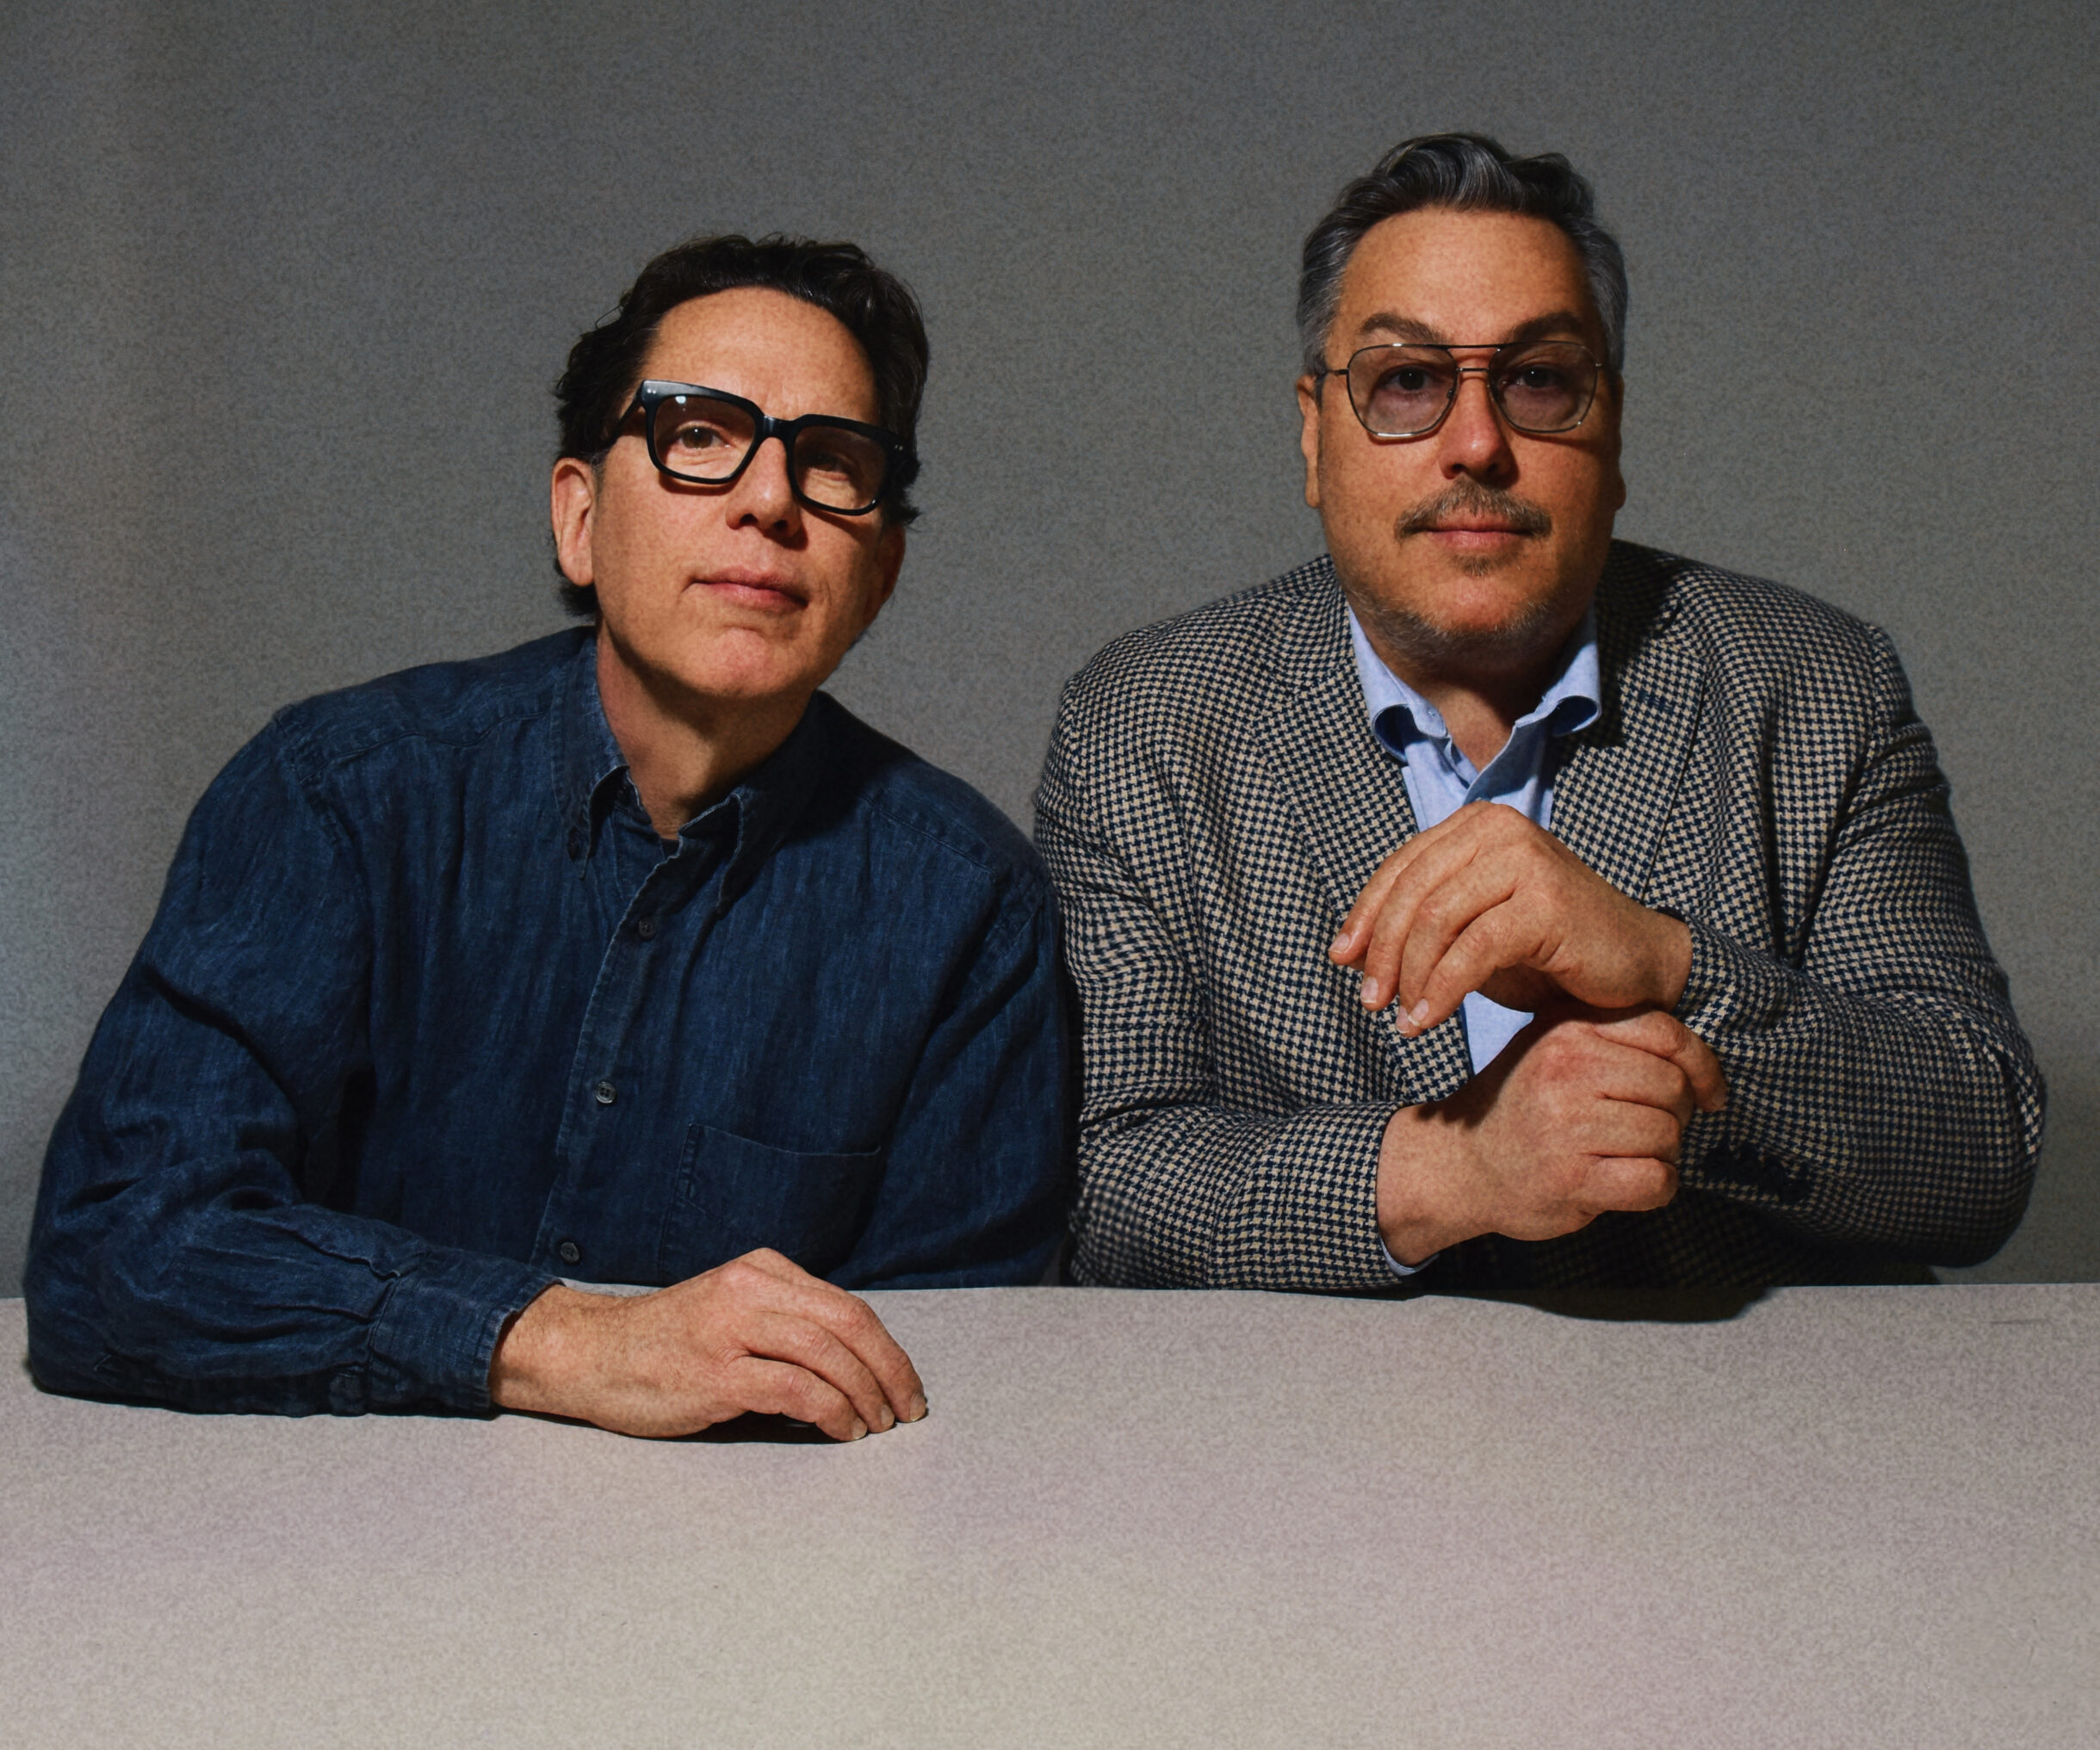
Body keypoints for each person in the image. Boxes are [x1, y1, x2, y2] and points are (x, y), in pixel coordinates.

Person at [28, 235, 1068, 1436]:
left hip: (749, 1543)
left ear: (878, 572)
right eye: (699, 435)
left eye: (832, 462)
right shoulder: (337, 796)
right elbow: (118, 1245)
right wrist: (558, 1341)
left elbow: (938, 1373)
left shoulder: (971, 908)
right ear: (580, 517)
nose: (770, 500)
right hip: (326, 1526)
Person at [1037, 133, 2042, 1293]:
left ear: (1611, 430)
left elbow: (1982, 1151)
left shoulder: (1816, 687)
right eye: (1406, 382)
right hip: (1322, 1409)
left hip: (1739, 1402)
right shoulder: (1144, 724)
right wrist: (1450, 1170)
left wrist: (1667, 969)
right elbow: (1102, 1184)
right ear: (1315, 435)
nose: (1477, 445)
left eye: (1539, 381)